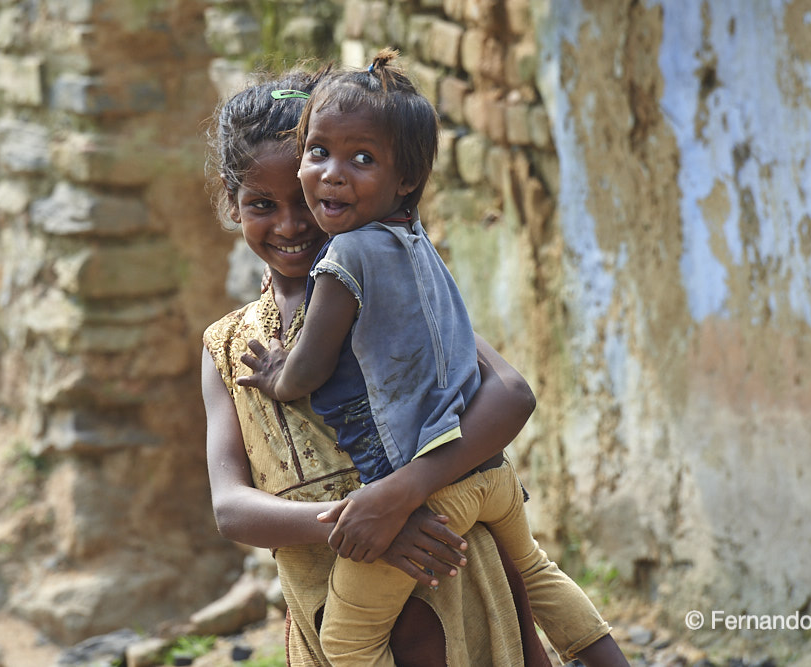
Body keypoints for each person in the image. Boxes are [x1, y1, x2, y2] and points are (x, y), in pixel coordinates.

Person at [202, 68, 620, 666]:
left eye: (306, 204)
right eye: (263, 205)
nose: (295, 224)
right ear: (231, 199)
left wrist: (403, 493)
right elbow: (230, 507)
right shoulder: (226, 344)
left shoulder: (383, 288)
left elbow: (509, 394)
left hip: (446, 579)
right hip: (321, 593)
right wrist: (356, 521)